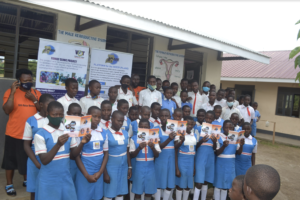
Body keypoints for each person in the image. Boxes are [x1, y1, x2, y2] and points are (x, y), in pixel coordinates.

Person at [34, 101, 91, 200]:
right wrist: (58, 145)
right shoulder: (40, 134)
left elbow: (73, 155)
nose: (57, 117)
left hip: (65, 178)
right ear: (47, 114)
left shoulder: (68, 129)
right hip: (48, 180)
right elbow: (44, 160)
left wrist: (82, 143)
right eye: (54, 114)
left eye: (60, 114)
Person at [2, 69, 42, 196]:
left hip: (31, 135)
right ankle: (9, 184)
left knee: (28, 159)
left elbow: (43, 112)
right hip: (14, 133)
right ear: (18, 81)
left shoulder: (36, 93)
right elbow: (7, 110)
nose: (28, 82)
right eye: (25, 81)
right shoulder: (10, 92)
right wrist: (13, 93)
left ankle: (26, 180)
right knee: (10, 161)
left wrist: (34, 99)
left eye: (30, 80)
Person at [23, 94, 55, 200]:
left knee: (50, 188)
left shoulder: (56, 120)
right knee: (35, 189)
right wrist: (37, 164)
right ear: (41, 105)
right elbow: (26, 145)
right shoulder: (31, 120)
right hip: (35, 160)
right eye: (49, 104)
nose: (52, 107)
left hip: (52, 158)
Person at [75, 106, 109, 200]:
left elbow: (106, 154)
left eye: (99, 117)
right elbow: (76, 156)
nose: (97, 119)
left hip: (98, 172)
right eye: (94, 116)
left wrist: (100, 172)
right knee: (83, 196)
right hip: (84, 172)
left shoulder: (103, 132)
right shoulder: (81, 131)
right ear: (87, 116)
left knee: (97, 196)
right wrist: (86, 175)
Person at [103, 111, 132, 200]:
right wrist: (105, 173)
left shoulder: (125, 133)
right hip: (111, 166)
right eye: (118, 120)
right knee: (109, 192)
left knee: (120, 192)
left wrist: (129, 167)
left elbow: (127, 151)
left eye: (122, 121)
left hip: (123, 166)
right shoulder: (106, 134)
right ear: (111, 120)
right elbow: (103, 155)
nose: (120, 123)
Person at [130, 119, 161, 200]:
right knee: (138, 191)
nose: (143, 129)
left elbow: (157, 155)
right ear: (138, 128)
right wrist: (139, 148)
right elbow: (132, 155)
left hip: (150, 167)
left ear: (149, 127)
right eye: (141, 127)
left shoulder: (154, 137)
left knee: (149, 191)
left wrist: (153, 148)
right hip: (139, 168)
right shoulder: (134, 138)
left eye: (146, 127)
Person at [214, 120, 244, 200]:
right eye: (226, 127)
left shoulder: (235, 137)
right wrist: (223, 146)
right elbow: (217, 153)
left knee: (226, 185)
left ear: (233, 128)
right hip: (220, 163)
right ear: (223, 128)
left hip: (230, 164)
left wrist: (241, 145)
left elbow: (238, 153)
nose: (228, 129)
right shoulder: (219, 136)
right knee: (218, 184)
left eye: (230, 127)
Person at [193, 111, 219, 200]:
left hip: (210, 157)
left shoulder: (215, 130)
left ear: (213, 119)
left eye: (210, 118)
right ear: (204, 118)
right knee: (199, 182)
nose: (208, 120)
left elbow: (215, 148)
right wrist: (202, 141)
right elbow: (195, 146)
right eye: (206, 118)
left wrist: (215, 142)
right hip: (200, 156)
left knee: (205, 181)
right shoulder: (198, 129)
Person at [154, 109, 177, 200]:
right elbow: (158, 146)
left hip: (171, 158)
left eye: (166, 116)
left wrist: (181, 140)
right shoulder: (156, 129)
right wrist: (169, 139)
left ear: (170, 117)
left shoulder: (174, 129)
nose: (164, 118)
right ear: (159, 117)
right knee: (159, 182)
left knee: (170, 182)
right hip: (160, 158)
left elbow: (176, 146)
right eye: (162, 116)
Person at [174, 116, 196, 200]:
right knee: (180, 184)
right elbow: (175, 148)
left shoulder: (194, 133)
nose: (190, 126)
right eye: (188, 124)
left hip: (190, 162)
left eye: (191, 124)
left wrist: (194, 167)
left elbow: (194, 151)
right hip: (182, 161)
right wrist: (181, 141)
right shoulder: (179, 133)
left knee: (188, 184)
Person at [66, 103, 83, 183]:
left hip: (82, 160)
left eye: (79, 114)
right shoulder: (65, 128)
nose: (77, 116)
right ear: (67, 113)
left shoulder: (84, 127)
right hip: (70, 162)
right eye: (74, 114)